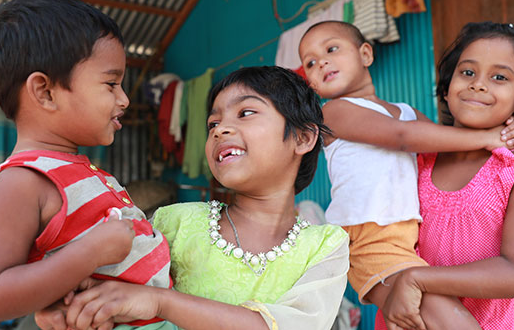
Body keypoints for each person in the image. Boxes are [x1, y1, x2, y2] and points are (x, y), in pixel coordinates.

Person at [36, 66, 350, 330]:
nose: (220, 129)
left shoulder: (325, 246)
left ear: (302, 137)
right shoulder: (174, 222)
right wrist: (78, 305)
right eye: (213, 123)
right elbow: (119, 295)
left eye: (246, 112)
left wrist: (161, 301)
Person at [298, 20, 514, 329]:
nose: (322, 63)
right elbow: (402, 137)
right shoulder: (333, 112)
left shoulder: (406, 113)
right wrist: (490, 136)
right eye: (310, 63)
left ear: (366, 54)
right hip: (370, 241)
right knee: (452, 321)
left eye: (331, 49)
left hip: (408, 242)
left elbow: (442, 144)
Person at [0, 0, 171, 328]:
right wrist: (92, 250)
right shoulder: (21, 181)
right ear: (45, 92)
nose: (124, 99)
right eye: (111, 84)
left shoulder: (78, 169)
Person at [380, 21, 514, 330]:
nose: (478, 84)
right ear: (447, 88)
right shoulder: (416, 156)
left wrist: (417, 279)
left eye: (499, 77)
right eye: (467, 72)